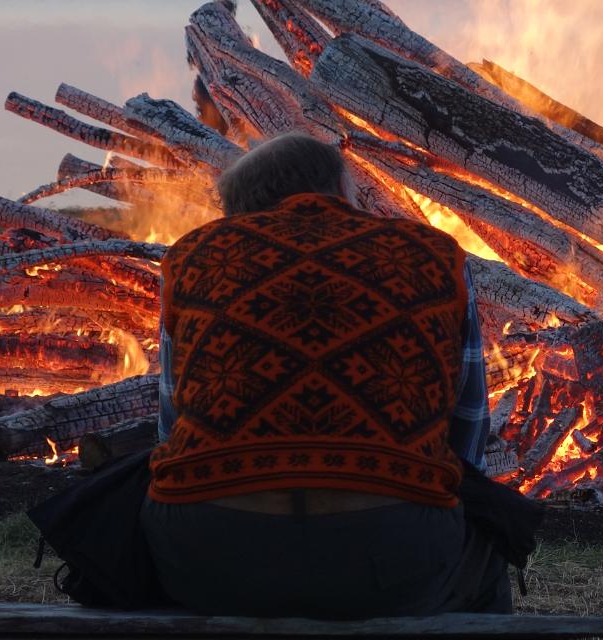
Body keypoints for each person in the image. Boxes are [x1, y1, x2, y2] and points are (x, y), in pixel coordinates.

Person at [142, 133, 510, 618]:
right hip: (394, 557)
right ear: (339, 183)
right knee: (493, 535)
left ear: (237, 213)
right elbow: (469, 429)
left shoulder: (193, 257)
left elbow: (171, 427)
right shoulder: (435, 256)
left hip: (212, 558)